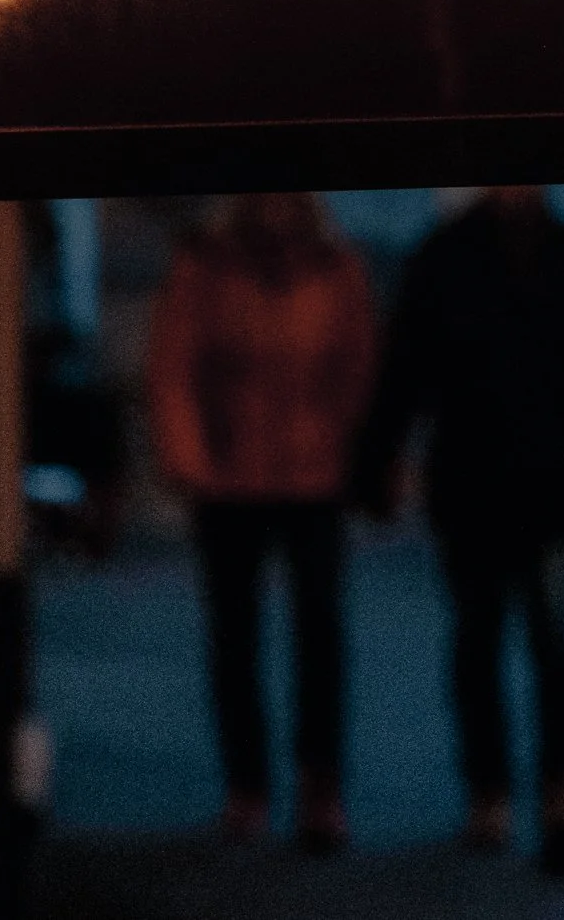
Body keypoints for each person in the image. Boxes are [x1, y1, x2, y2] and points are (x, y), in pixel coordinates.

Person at [352, 186, 564, 874]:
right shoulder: (455, 259)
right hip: (482, 486)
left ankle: (553, 790)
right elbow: (406, 368)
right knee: (488, 643)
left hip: (547, 485)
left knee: (551, 642)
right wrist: (378, 458)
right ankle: (498, 793)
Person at [146, 192, 378, 850]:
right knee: (235, 638)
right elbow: (174, 365)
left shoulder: (336, 268)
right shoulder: (208, 265)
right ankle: (247, 786)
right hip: (230, 478)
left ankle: (320, 786)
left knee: (320, 638)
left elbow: (359, 366)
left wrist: (356, 454)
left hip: (314, 477)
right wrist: (191, 460)